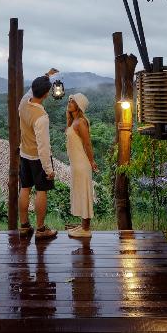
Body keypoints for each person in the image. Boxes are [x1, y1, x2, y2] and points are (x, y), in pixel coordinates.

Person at [18, 70, 59, 240]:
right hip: (38, 159)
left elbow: (30, 91)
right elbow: (43, 147)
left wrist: (46, 76)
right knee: (41, 191)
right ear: (47, 94)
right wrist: (49, 170)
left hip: (24, 154)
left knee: (25, 188)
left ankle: (24, 226)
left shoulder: (23, 103)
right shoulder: (41, 117)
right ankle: (41, 230)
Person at [65, 93, 97, 238]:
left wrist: (92, 161)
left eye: (73, 101)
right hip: (76, 164)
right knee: (80, 193)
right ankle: (83, 226)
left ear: (79, 105)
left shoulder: (81, 122)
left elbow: (87, 144)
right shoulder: (74, 122)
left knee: (84, 193)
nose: (69, 103)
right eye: (69, 101)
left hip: (82, 164)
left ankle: (86, 229)